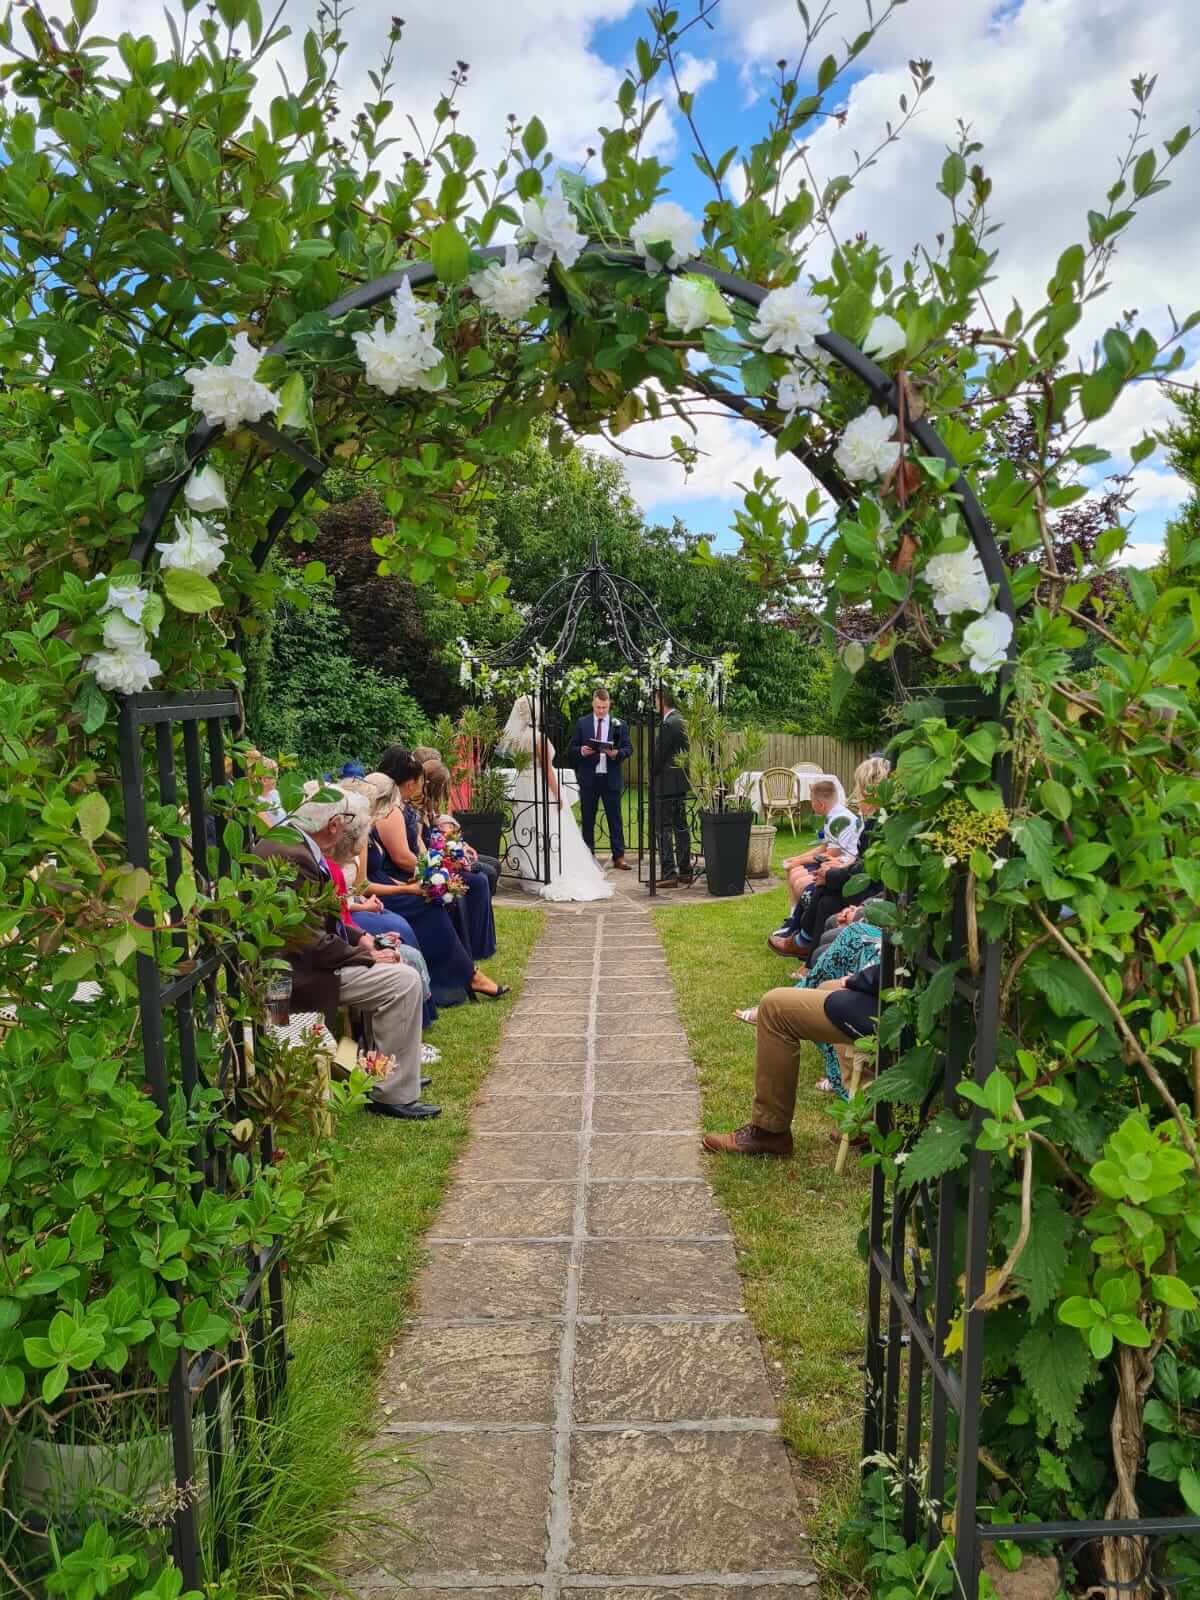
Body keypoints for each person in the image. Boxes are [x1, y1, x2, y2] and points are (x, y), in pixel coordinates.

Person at [253, 793, 439, 1121]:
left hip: (305, 964)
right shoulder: (294, 856)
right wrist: (364, 957)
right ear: (334, 825)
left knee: (396, 966)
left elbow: (323, 920)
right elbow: (308, 940)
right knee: (402, 981)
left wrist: (363, 939)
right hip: (293, 979)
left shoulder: (290, 843)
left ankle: (384, 1073)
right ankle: (392, 1091)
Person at [360, 756, 508, 1002]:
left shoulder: (391, 814)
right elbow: (374, 874)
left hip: (390, 882)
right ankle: (464, 978)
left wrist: (437, 865)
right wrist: (412, 884)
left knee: (464, 886)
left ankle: (468, 968)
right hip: (381, 890)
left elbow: (417, 845)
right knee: (436, 902)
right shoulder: (383, 820)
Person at [702, 964, 882, 1158]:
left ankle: (769, 1131)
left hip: (895, 1008)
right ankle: (870, 1118)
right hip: (894, 994)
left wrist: (861, 980)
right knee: (829, 987)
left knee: (774, 1007)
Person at [499, 694, 614, 902]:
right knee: (551, 826)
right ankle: (552, 869)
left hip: (524, 785)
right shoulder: (537, 737)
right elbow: (547, 770)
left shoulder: (516, 737)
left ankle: (533, 870)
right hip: (540, 785)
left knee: (531, 826)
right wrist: (557, 795)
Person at [786, 757, 890, 962]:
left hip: (870, 890)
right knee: (825, 895)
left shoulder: (879, 826)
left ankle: (804, 943)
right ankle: (805, 945)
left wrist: (833, 872)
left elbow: (865, 870)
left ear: (871, 792)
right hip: (864, 883)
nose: (857, 795)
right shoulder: (874, 822)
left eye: (859, 788)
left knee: (826, 888)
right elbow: (861, 862)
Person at [767, 777, 861, 955]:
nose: (811, 804)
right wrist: (797, 858)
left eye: (811, 801)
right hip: (838, 864)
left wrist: (799, 862)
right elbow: (825, 847)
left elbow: (830, 855)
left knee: (800, 880)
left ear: (819, 804)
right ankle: (793, 921)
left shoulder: (838, 819)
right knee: (794, 871)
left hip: (841, 867)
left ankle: (800, 930)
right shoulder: (833, 815)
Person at [567, 685, 633, 869]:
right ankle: (588, 855)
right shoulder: (583, 723)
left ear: (609, 704)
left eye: (604, 707)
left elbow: (629, 749)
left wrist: (616, 754)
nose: (601, 711)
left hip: (610, 777)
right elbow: (570, 750)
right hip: (589, 778)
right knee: (588, 818)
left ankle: (618, 856)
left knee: (615, 819)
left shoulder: (619, 724)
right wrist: (581, 750)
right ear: (593, 704)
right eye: (598, 707)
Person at [653, 688, 690, 889]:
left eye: (655, 700)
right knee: (681, 826)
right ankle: (685, 870)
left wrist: (651, 773)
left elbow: (660, 755)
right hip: (681, 782)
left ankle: (669, 873)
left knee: (663, 829)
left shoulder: (668, 723)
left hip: (666, 783)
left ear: (661, 700)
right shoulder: (682, 720)